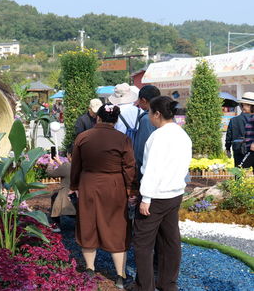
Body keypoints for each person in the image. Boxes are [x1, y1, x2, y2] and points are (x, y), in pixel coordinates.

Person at [70, 104, 137, 288]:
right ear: (115, 120)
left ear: (97, 118)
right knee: (117, 226)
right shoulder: (122, 139)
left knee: (88, 224)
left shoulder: (83, 137)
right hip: (114, 187)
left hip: (89, 184)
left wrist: (74, 185)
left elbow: (76, 165)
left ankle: (90, 270)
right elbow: (129, 167)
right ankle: (120, 276)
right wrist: (132, 190)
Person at [133, 96, 192, 291]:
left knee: (143, 243)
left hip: (156, 196)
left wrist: (146, 198)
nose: (148, 116)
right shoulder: (182, 134)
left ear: (157, 114)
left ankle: (145, 286)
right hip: (175, 194)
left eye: (150, 112)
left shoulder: (158, 136)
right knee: (170, 240)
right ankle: (168, 283)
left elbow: (151, 170)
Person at [133, 85, 161, 183]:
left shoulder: (146, 119)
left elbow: (143, 148)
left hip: (149, 171)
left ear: (143, 100)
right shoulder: (165, 115)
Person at [46, 153, 76, 233]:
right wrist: (59, 162)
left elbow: (50, 173)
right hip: (82, 194)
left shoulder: (67, 166)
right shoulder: (83, 165)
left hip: (67, 195)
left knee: (55, 197)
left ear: (69, 155)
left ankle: (56, 224)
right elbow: (69, 170)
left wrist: (51, 163)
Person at [226, 92, 254, 166]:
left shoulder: (233, 120)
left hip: (238, 148)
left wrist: (227, 148)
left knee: (238, 171)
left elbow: (229, 136)